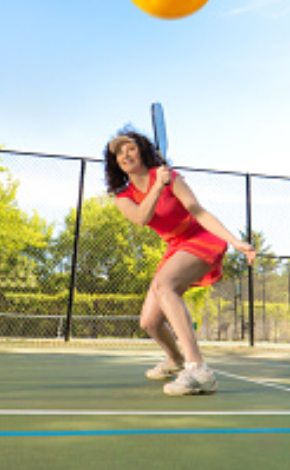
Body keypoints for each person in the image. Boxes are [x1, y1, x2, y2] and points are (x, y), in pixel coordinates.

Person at [104, 130, 256, 396]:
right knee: (149, 322)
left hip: (200, 238)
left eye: (130, 148)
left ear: (142, 150)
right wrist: (156, 187)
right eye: (118, 153)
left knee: (165, 285)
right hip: (175, 246)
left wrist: (235, 241)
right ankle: (174, 360)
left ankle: (199, 370)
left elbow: (198, 211)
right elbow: (141, 217)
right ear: (115, 162)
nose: (125, 155)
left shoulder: (171, 177)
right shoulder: (123, 198)